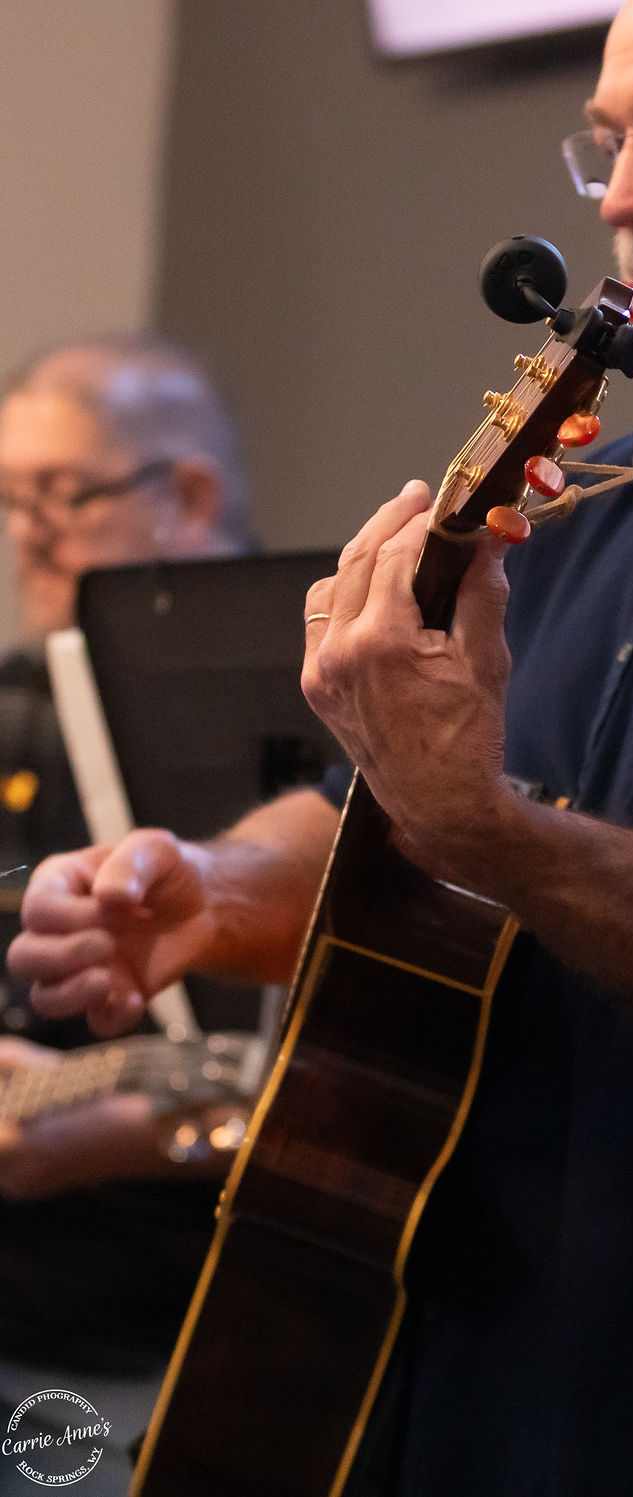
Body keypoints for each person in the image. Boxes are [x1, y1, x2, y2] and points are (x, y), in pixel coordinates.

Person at [11, 0, 633, 1492]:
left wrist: (476, 824)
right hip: (443, 1370)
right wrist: (208, 886)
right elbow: (392, 818)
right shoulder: (614, 479)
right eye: (609, 141)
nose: (622, 193)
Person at [0, 334, 256, 1494]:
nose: (24, 536)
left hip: (181, 1349)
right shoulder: (14, 712)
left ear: (188, 496)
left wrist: (137, 1136)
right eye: (8, 501)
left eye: (58, 495)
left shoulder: (307, 708)